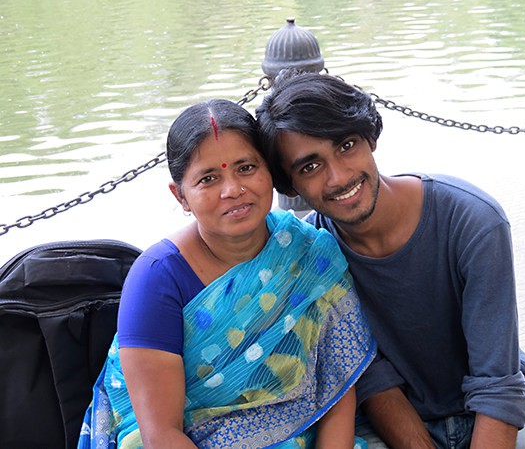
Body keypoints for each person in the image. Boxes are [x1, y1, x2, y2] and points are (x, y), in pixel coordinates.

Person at [255, 71, 525, 449]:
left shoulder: (472, 220)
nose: (339, 177)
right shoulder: (314, 255)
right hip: (389, 417)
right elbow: (370, 377)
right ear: (290, 185)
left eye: (347, 145)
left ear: (370, 137)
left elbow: (497, 381)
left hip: (490, 407)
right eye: (310, 167)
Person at [77, 99, 377, 448]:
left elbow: (336, 388)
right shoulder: (157, 280)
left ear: (270, 171)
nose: (232, 189)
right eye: (208, 178)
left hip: (302, 435)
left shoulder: (309, 255)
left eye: (246, 168)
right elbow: (161, 434)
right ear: (181, 196)